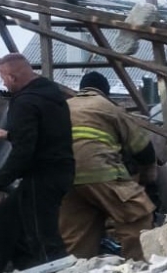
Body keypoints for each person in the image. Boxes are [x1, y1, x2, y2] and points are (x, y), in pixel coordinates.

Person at [0, 53, 74, 273]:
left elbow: (24, 153)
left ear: (12, 76)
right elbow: (45, 134)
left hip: (42, 177)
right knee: (3, 217)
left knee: (43, 237)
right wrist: (10, 134)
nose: (3, 83)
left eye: (3, 78)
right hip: (59, 172)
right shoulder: (50, 94)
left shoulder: (24, 102)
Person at [59, 72, 157, 261]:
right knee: (137, 215)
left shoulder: (63, 107)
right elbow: (142, 148)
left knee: (77, 235)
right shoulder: (109, 107)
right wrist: (148, 175)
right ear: (106, 91)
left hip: (64, 178)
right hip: (100, 171)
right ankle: (138, 268)